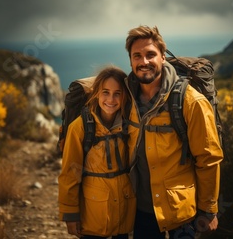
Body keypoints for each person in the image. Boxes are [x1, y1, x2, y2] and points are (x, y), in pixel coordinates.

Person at [124, 25, 224, 239]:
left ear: (163, 57)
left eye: (151, 54)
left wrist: (208, 209)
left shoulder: (189, 101)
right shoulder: (125, 98)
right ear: (130, 60)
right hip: (141, 212)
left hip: (181, 215)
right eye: (137, 56)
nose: (144, 62)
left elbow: (208, 158)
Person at [58, 66, 136, 239]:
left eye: (117, 93)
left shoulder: (130, 123)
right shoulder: (80, 127)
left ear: (124, 96)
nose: (111, 99)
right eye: (105, 92)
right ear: (96, 94)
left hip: (124, 213)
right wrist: (70, 214)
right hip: (92, 215)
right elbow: (71, 172)